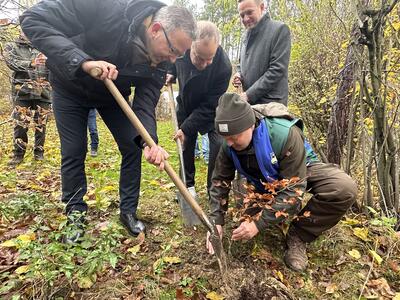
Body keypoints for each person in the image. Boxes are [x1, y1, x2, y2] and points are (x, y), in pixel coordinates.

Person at [20, 0, 196, 243]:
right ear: (156, 29)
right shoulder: (104, 7)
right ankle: (75, 215)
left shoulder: (162, 62)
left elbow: (145, 103)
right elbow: (32, 20)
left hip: (113, 94)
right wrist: (83, 61)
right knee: (74, 150)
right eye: (174, 50)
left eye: (179, 54)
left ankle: (128, 212)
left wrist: (149, 142)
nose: (174, 60)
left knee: (133, 144)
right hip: (70, 86)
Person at [206, 93, 357, 272]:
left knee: (343, 188)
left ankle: (298, 236)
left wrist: (257, 223)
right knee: (244, 223)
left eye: (234, 136)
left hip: (299, 170)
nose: (229, 143)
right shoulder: (229, 144)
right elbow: (219, 182)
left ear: (250, 125)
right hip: (261, 182)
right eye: (225, 138)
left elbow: (294, 188)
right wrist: (216, 221)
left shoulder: (285, 133)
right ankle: (269, 213)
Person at [166, 20, 232, 203]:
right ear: (190, 45)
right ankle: (186, 187)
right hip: (186, 106)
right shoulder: (181, 48)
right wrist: (171, 71)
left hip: (210, 110)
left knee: (218, 145)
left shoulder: (224, 66)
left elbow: (210, 106)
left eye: (209, 58)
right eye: (200, 58)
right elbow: (171, 60)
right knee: (185, 146)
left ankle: (214, 191)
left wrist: (186, 127)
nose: (205, 64)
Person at [4, 31, 51, 165]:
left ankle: (39, 153)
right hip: (22, 92)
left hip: (43, 92)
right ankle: (18, 154)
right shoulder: (12, 46)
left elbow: (53, 66)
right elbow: (11, 62)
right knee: (20, 124)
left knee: (41, 125)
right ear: (20, 30)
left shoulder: (43, 45)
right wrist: (31, 63)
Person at [233, 0, 291, 105]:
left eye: (250, 12)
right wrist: (239, 74)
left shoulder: (279, 29)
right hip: (250, 107)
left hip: (272, 108)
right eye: (242, 15)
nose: (246, 18)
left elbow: (277, 70)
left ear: (262, 7)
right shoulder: (244, 37)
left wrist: (248, 95)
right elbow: (242, 64)